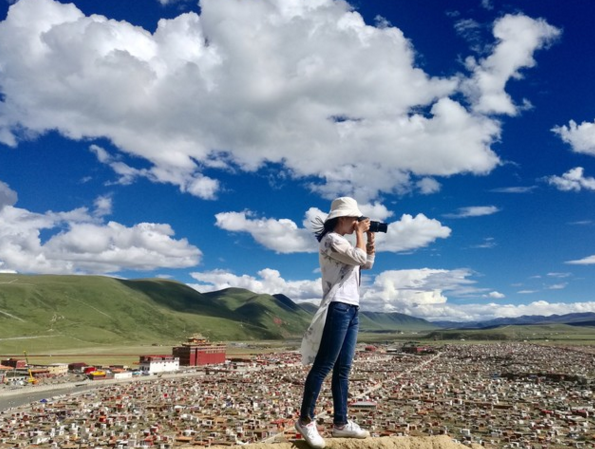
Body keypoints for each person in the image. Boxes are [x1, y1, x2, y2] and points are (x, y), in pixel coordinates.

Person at [295, 197, 376, 448]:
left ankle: (341, 423)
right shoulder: (330, 240)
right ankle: (306, 419)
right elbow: (359, 258)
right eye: (354, 218)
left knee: (343, 369)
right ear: (341, 218)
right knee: (324, 365)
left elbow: (367, 263)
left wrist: (370, 243)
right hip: (338, 305)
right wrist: (361, 237)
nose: (357, 223)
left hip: (352, 307)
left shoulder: (345, 243)